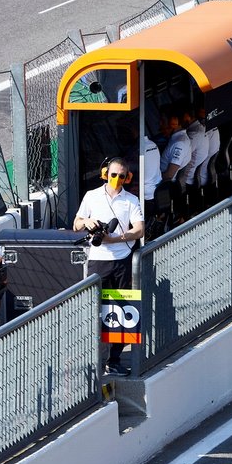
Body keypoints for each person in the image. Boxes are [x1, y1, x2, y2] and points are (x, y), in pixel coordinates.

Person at [73, 157, 144, 376]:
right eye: (113, 175)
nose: (117, 179)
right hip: (98, 261)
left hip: (122, 261)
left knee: (123, 310)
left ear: (127, 177)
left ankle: (114, 359)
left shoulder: (131, 200)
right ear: (105, 174)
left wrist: (115, 239)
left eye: (121, 176)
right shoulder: (91, 196)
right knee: (94, 309)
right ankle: (95, 358)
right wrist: (88, 223)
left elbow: (139, 230)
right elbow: (76, 224)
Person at [158, 107, 191, 218]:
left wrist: (152, 177)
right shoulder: (177, 139)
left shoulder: (180, 143)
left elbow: (169, 175)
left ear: (174, 121)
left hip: (164, 187)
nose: (160, 124)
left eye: (163, 121)